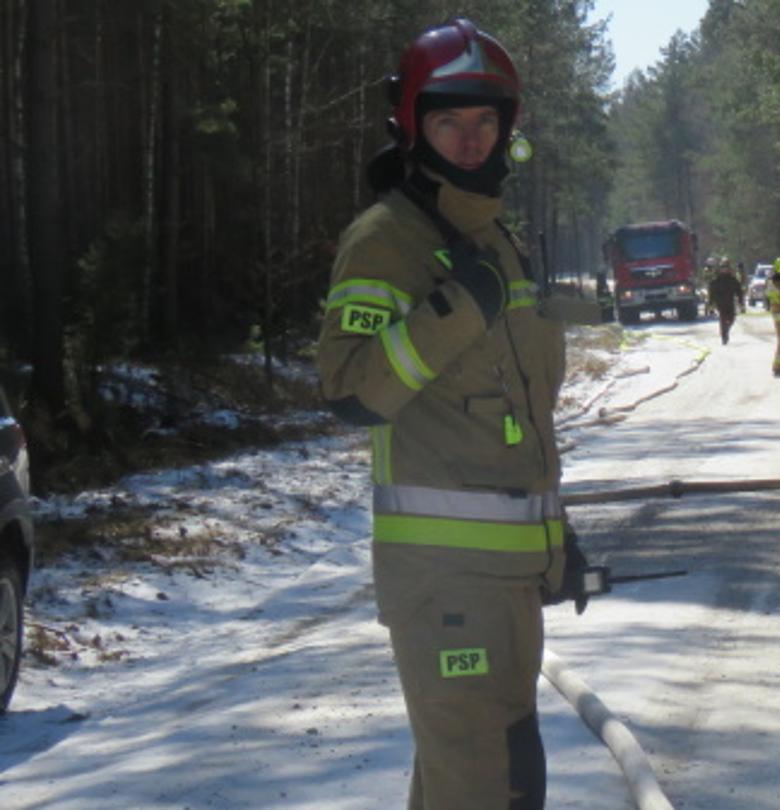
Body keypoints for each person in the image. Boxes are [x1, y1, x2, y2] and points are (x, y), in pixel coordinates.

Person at [316, 18, 596, 809]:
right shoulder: (387, 242)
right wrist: (451, 312)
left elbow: (514, 415)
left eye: (485, 121)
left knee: (479, 779)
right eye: (448, 121)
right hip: (445, 584)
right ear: (412, 124)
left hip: (505, 579)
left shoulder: (495, 240)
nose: (470, 141)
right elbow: (347, 391)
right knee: (487, 786)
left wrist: (554, 532)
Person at [706, 260, 744, 344]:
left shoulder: (733, 279)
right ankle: (724, 336)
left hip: (730, 302)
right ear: (720, 269)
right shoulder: (716, 281)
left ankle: (726, 330)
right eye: (723, 267)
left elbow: (739, 291)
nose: (725, 269)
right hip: (720, 303)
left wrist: (741, 302)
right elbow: (711, 293)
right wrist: (710, 305)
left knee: (731, 319)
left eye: (726, 267)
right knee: (723, 319)